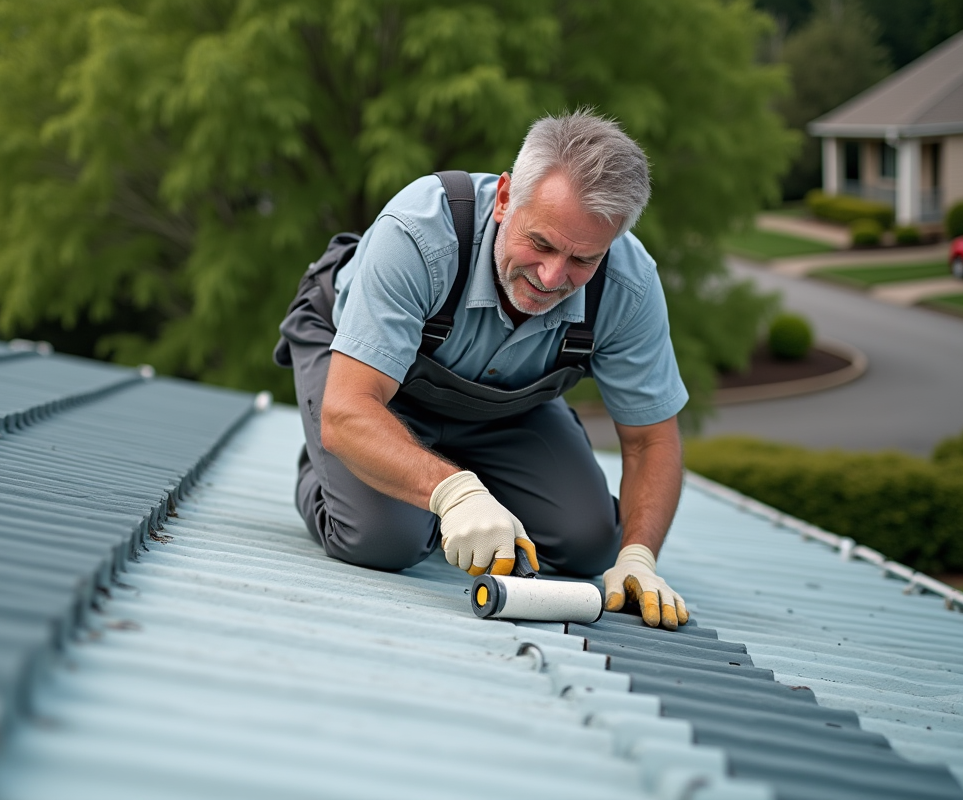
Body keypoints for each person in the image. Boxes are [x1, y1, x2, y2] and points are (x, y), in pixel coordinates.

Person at [276, 110, 690, 630]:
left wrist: (639, 557)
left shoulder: (630, 286)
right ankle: (335, 474)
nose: (551, 277)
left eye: (583, 260)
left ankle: (444, 473)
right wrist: (456, 493)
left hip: (504, 406)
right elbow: (348, 409)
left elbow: (651, 441)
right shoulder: (419, 233)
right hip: (372, 387)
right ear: (504, 198)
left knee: (591, 545)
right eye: (541, 243)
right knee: (385, 538)